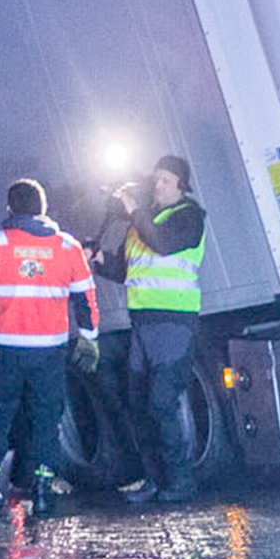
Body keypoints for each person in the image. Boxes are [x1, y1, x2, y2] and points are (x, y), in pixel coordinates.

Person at [0, 177, 97, 516]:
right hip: (50, 352)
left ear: (10, 208)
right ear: (43, 208)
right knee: (46, 420)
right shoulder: (68, 247)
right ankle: (42, 490)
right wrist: (90, 337)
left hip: (6, 349)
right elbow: (85, 298)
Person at [97, 152, 210, 503]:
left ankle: (180, 482)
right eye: (155, 178)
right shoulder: (142, 222)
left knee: (161, 402)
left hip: (174, 326)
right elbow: (129, 270)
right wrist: (101, 261)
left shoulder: (189, 217)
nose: (157, 185)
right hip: (143, 326)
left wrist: (133, 208)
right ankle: (154, 478)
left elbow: (162, 244)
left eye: (164, 179)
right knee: (137, 404)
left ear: (181, 185)